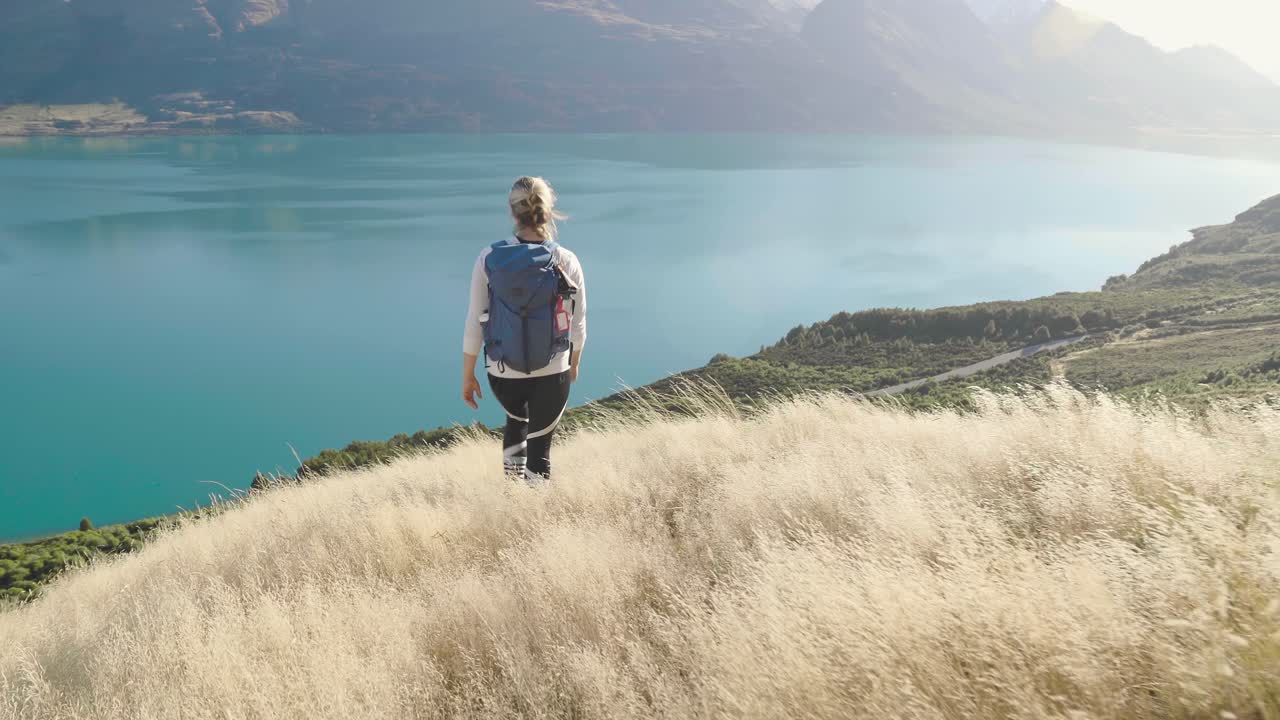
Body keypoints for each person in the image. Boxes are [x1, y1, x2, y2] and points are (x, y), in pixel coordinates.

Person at [462, 177, 587, 484]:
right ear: (549, 210)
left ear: (513, 211)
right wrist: (573, 363)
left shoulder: (489, 257)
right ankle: (531, 513)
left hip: (503, 372)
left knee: (516, 420)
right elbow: (578, 324)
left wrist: (468, 375)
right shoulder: (566, 259)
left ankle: (512, 496)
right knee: (541, 445)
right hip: (552, 368)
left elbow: (475, 320)